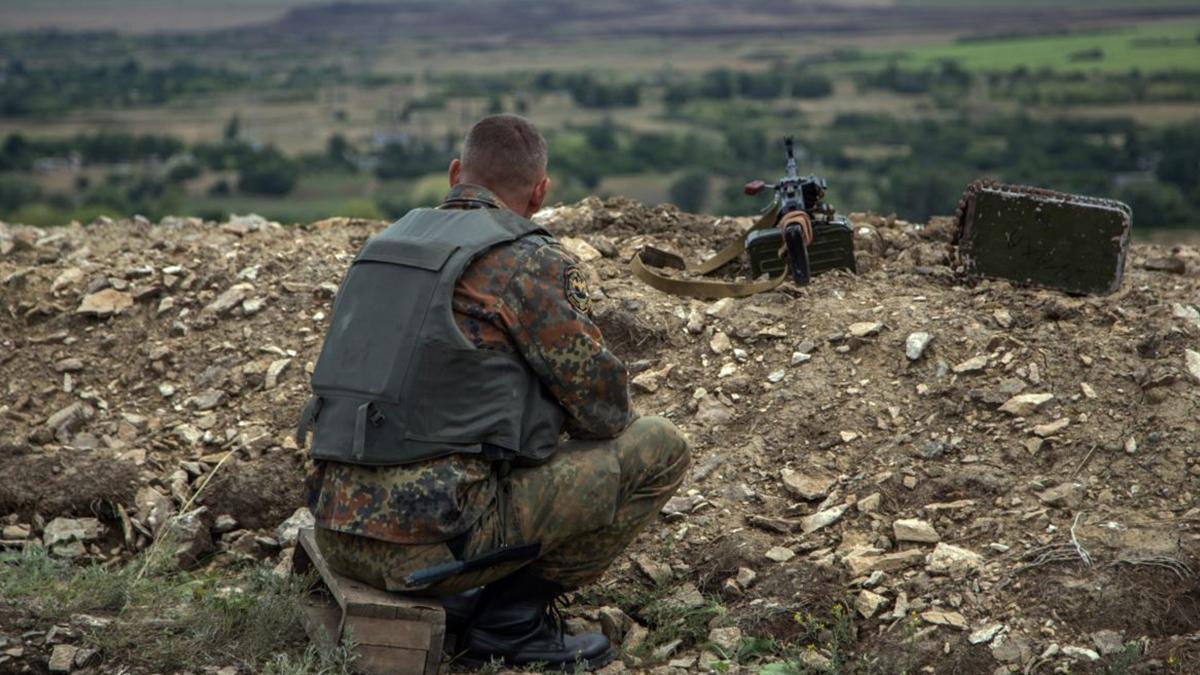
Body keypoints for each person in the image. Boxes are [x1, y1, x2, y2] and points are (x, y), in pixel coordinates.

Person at [300, 114, 690, 671]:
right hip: (429, 546)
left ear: (456, 173)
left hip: (336, 530)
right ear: (539, 193)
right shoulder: (528, 261)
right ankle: (513, 623)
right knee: (660, 447)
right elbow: (604, 411)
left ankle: (465, 600)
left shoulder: (383, 248)